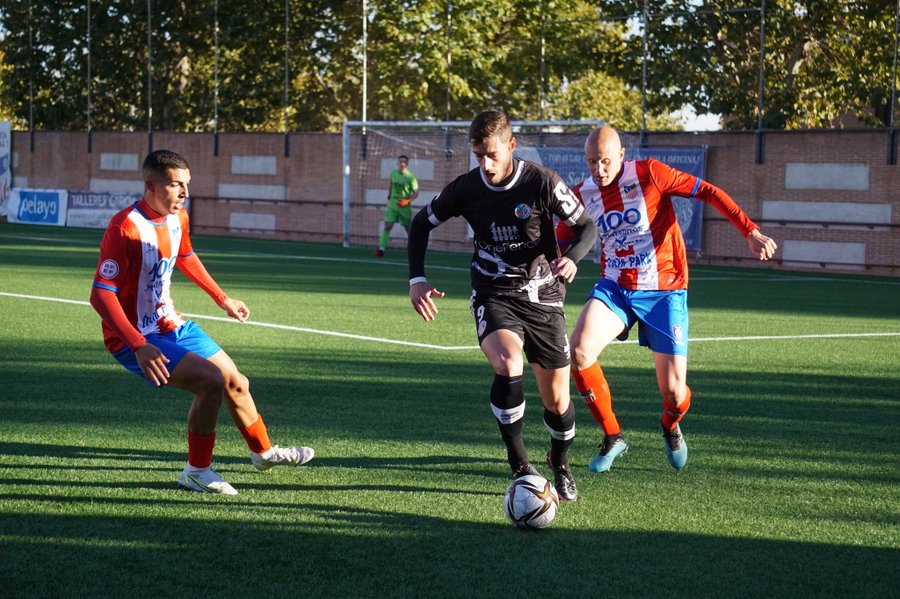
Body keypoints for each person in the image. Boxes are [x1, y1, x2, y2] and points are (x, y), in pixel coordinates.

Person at [89, 149, 314, 496]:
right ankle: (196, 472)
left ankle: (263, 453)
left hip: (171, 325)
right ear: (151, 185)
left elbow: (186, 256)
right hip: (134, 338)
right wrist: (137, 345)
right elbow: (100, 295)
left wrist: (222, 298)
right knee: (210, 382)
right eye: (176, 185)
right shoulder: (125, 228)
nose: (184, 193)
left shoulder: (179, 218)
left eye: (187, 185)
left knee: (236, 381)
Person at [557, 126, 777, 473]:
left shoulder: (650, 174)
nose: (598, 170)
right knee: (580, 351)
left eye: (604, 161)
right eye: (590, 162)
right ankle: (613, 436)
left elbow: (707, 191)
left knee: (674, 392)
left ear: (621, 156)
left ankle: (670, 426)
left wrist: (749, 231)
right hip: (616, 287)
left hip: (665, 291)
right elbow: (558, 239)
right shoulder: (582, 195)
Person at [408, 110, 597, 501]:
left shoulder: (543, 182)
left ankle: (559, 463)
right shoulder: (465, 188)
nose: (486, 164)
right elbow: (420, 224)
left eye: (493, 154)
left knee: (557, 401)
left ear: (512, 146)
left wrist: (574, 257)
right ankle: (520, 466)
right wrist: (417, 280)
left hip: (543, 295)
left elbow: (587, 227)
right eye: (479, 156)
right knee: (509, 364)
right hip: (493, 291)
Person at [375, 155, 419, 257]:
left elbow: (416, 193)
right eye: (400, 161)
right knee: (388, 226)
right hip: (393, 205)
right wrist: (389, 199)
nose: (402, 163)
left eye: (404, 162)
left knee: (409, 229)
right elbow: (390, 187)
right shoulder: (393, 174)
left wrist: (407, 201)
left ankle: (415, 250)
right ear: (398, 163)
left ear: (407, 164)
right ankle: (381, 249)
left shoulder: (410, 177)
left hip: (404, 206)